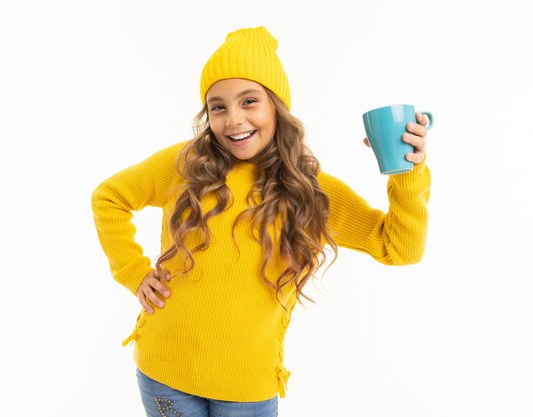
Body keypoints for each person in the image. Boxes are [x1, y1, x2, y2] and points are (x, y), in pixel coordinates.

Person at [91, 26, 430, 417]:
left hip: (248, 390)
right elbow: (109, 198)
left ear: (276, 107)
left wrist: (408, 174)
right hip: (163, 370)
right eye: (218, 106)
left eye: (248, 101)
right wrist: (133, 272)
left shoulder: (311, 191)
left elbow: (399, 248)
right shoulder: (184, 165)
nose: (233, 119)